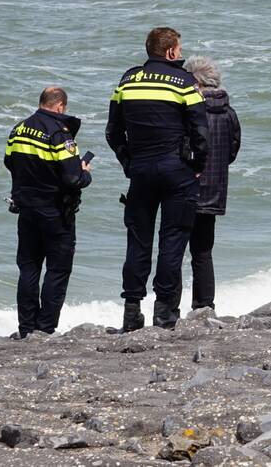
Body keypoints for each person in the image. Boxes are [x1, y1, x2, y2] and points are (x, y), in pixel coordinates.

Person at [105, 27, 209, 331]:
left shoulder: (127, 80)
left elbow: (113, 132)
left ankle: (131, 311)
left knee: (138, 241)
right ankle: (164, 314)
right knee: (172, 240)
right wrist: (197, 165)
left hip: (141, 171)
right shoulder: (184, 82)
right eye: (179, 48)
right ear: (171, 52)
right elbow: (201, 131)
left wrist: (128, 162)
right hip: (177, 170)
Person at [4, 87, 92, 340]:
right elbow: (72, 178)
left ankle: (26, 328)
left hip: (27, 209)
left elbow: (9, 161)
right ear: (60, 106)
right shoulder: (60, 134)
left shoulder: (18, 129)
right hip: (55, 211)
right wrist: (85, 172)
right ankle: (44, 328)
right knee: (58, 269)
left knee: (29, 268)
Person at [181, 56, 241, 311]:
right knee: (203, 253)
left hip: (185, 187)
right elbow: (232, 151)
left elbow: (181, 147)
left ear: (196, 82)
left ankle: (169, 309)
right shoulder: (229, 113)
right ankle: (204, 306)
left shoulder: (188, 110)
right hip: (214, 188)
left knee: (173, 250)